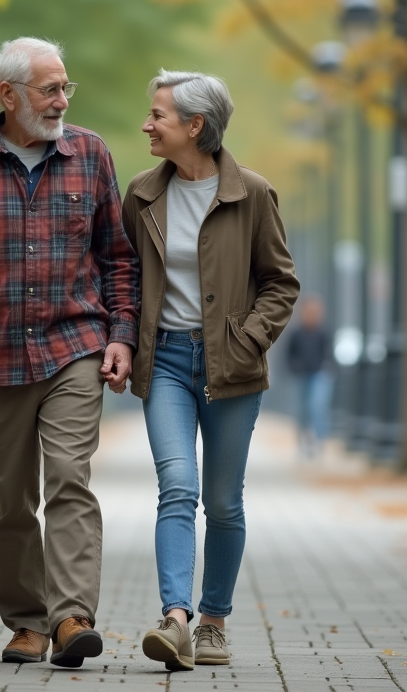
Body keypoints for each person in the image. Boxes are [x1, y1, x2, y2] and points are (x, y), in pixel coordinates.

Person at [0, 37, 140, 668]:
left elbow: (117, 258)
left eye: (67, 87)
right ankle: (27, 621)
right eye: (50, 89)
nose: (62, 100)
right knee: (10, 497)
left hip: (75, 345)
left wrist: (121, 334)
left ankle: (71, 617)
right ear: (7, 95)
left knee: (69, 478)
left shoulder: (90, 154)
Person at [121, 70, 299, 671]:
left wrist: (249, 340)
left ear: (195, 126)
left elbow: (281, 282)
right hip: (165, 360)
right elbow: (124, 279)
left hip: (231, 367)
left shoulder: (252, 193)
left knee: (223, 503)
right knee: (178, 485)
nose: (147, 124)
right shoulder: (143, 194)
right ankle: (175, 618)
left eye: (158, 116)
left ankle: (214, 621)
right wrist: (126, 340)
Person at [285, 296, 335, 459]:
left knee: (318, 405)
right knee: (303, 409)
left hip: (319, 374)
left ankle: (319, 440)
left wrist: (327, 367)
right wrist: (294, 367)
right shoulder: (296, 333)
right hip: (302, 375)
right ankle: (303, 441)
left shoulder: (323, 332)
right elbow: (289, 355)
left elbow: (329, 354)